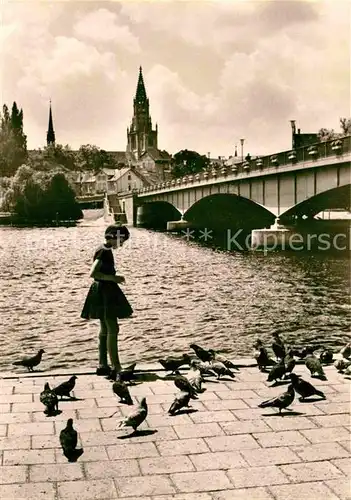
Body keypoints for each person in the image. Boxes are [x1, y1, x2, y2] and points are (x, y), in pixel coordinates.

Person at [81, 225, 133, 379]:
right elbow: (93, 273)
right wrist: (113, 278)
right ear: (112, 237)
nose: (122, 244)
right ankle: (117, 367)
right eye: (121, 240)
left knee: (104, 329)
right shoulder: (104, 251)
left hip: (101, 290)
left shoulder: (103, 249)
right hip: (105, 291)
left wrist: (114, 275)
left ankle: (103, 365)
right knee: (113, 328)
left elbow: (100, 272)